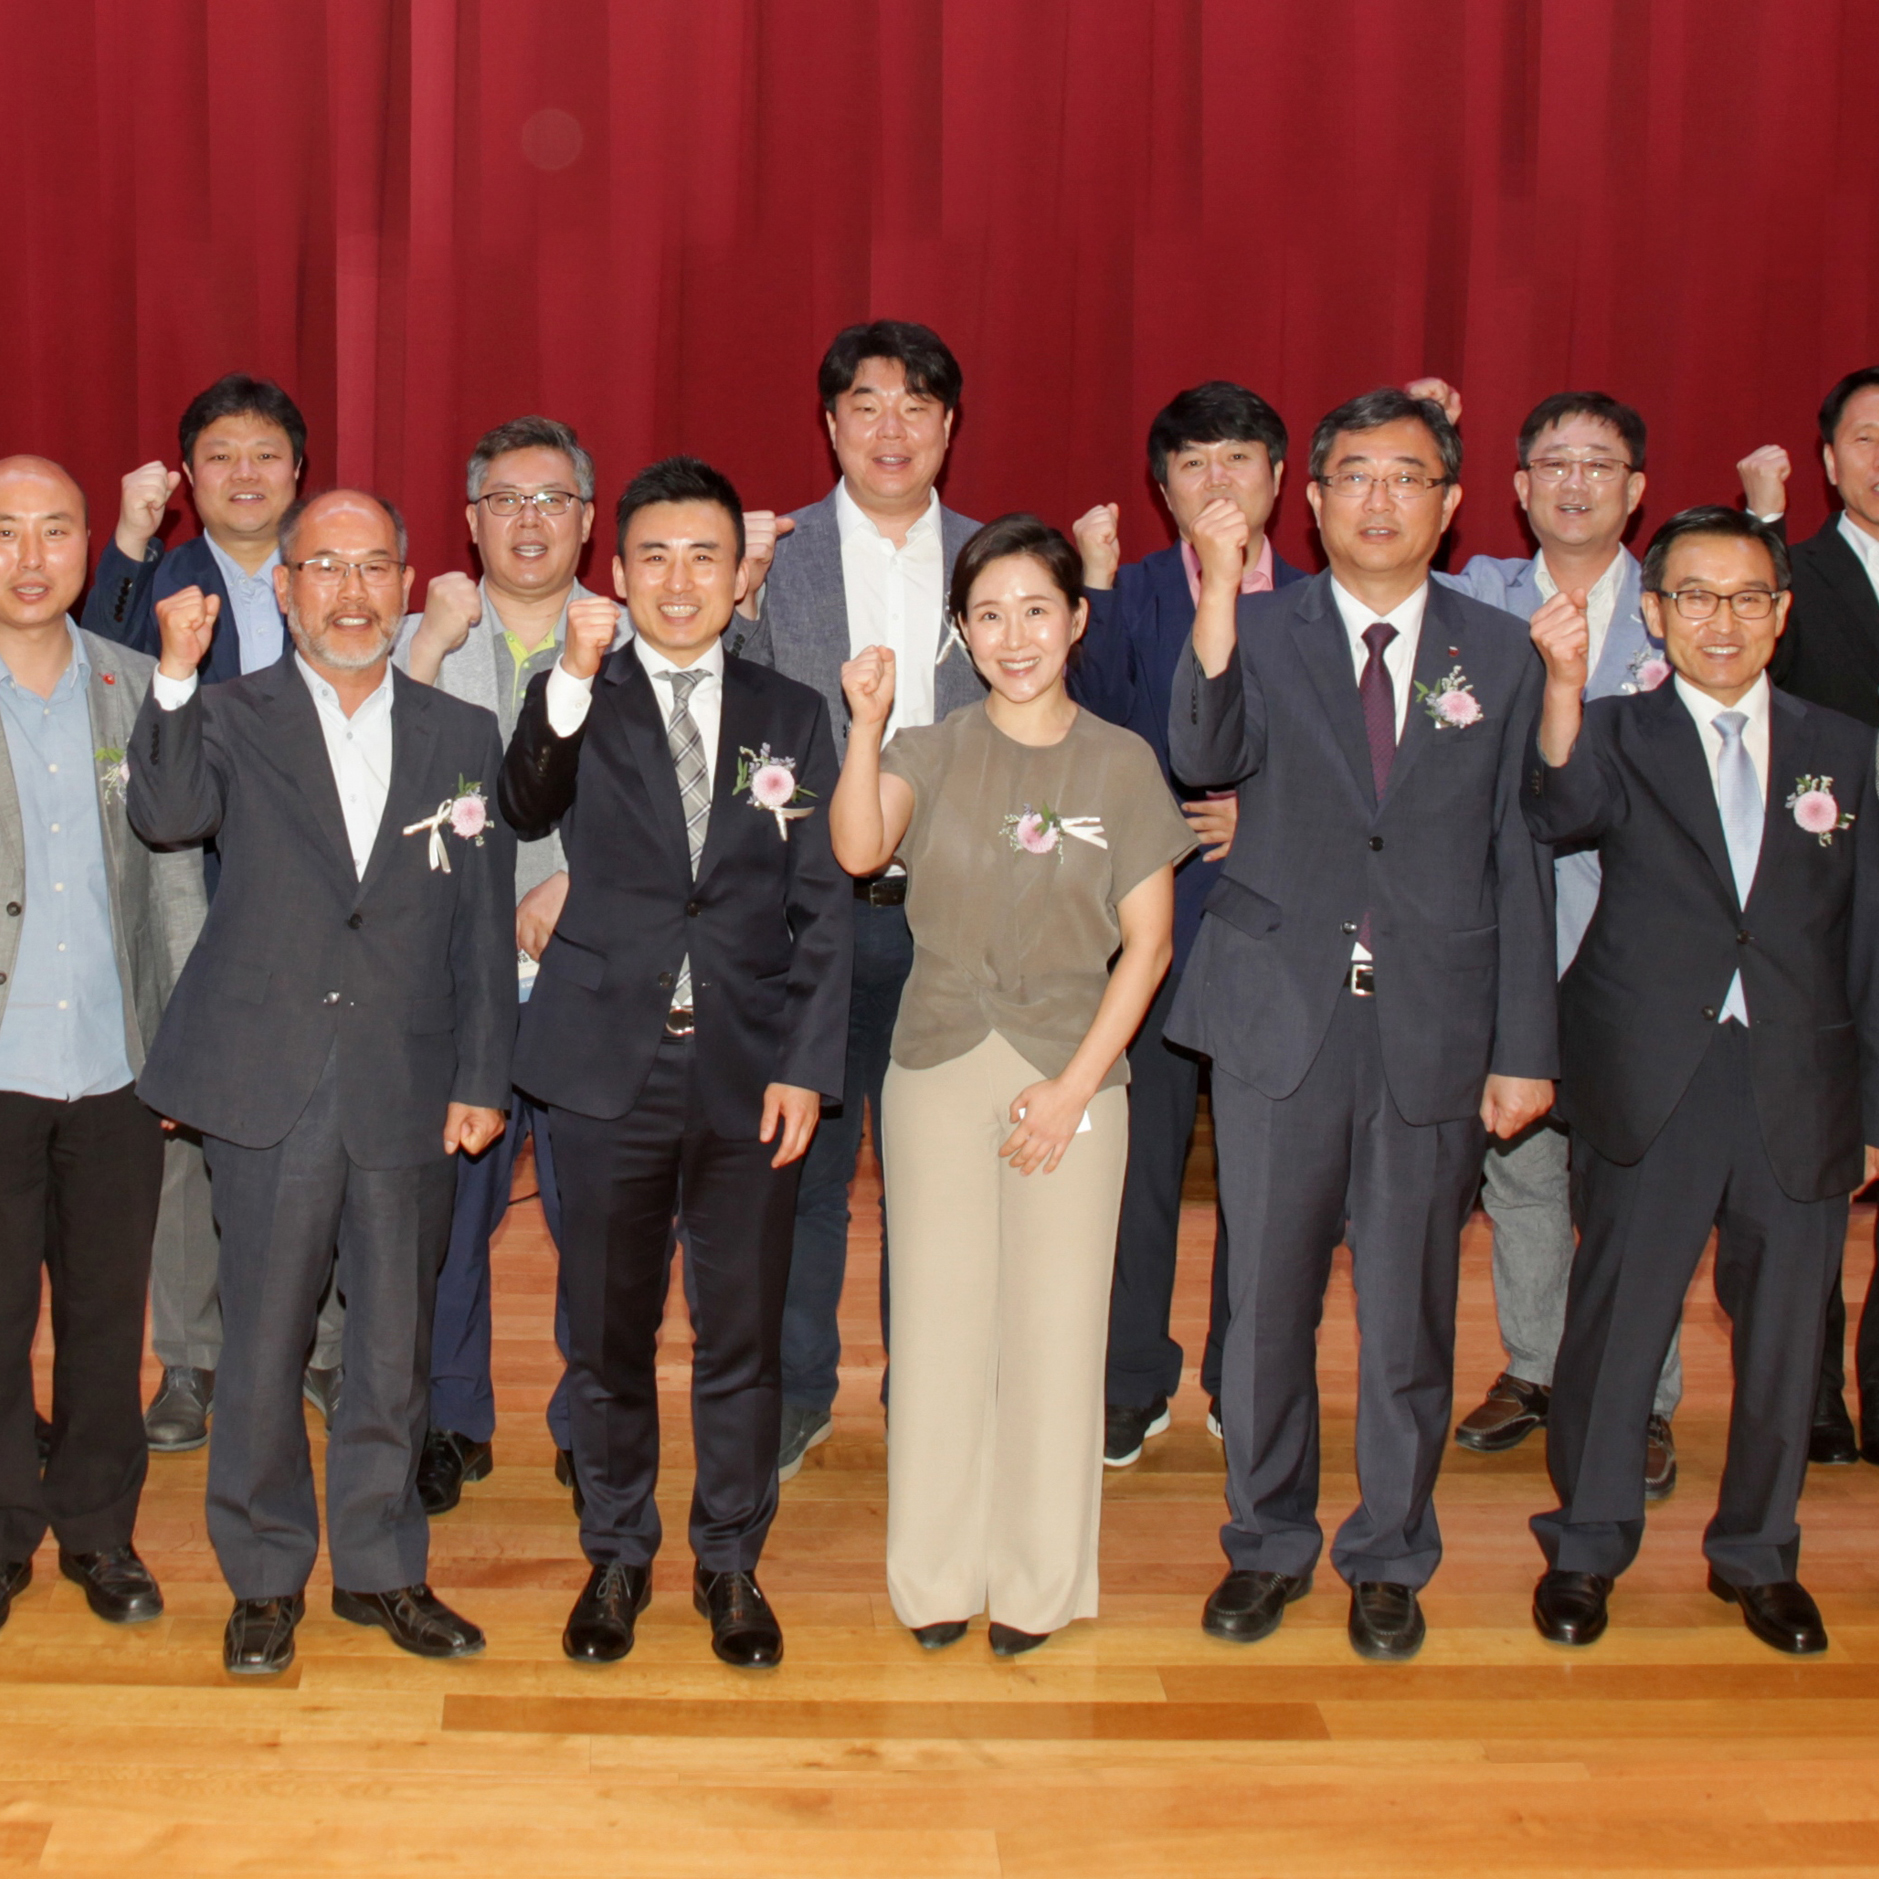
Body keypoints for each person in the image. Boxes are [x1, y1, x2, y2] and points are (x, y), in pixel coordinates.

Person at [1169, 388, 1556, 1661]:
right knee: (1265, 1310)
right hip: (1282, 1015)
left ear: (1451, 506)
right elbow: (1197, 747)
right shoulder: (1260, 631)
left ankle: (1390, 1554)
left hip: (1433, 1025)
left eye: (1408, 477)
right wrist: (1218, 593)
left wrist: (1521, 1046)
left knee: (1407, 1316)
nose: (1379, 499)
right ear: (1312, 499)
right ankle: (1268, 1543)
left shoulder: (1496, 656)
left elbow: (1517, 859)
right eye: (1354, 477)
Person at [128, 488, 515, 1676]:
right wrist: (177, 676)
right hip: (270, 1082)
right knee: (262, 1342)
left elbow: (482, 924)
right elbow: (167, 812)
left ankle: (384, 1568)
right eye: (324, 569)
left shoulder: (459, 735)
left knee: (391, 1343)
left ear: (408, 584)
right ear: (285, 589)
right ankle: (262, 1577)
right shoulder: (230, 717)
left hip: (407, 1079)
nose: (352, 593)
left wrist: (483, 1073)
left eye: (374, 568)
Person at [499, 455, 851, 1669]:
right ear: (618, 568)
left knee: (742, 1333)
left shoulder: (793, 712)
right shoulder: (579, 689)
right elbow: (523, 801)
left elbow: (821, 905)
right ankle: (616, 1553)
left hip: (749, 1073)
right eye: (653, 555)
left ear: (736, 568)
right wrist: (567, 681)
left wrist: (807, 1064)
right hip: (605, 1067)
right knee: (606, 1331)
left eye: (705, 553)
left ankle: (730, 1560)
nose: (679, 579)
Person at [832, 514, 1190, 1655]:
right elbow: (853, 849)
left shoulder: (1121, 761)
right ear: (962, 635)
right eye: (986, 615)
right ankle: (934, 1577)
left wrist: (1076, 1086)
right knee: (937, 1332)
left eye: (1036, 609)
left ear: (1076, 620)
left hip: (1072, 1070)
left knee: (1053, 1334)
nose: (1013, 635)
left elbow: (1149, 945)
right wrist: (865, 727)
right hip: (937, 1062)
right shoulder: (929, 752)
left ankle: (1036, 1585)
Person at [1523, 507, 1879, 1656]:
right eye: (1692, 596)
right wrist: (1566, 685)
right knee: (1618, 1322)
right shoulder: (1616, 731)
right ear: (1659, 611)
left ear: (1781, 614)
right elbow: (1558, 813)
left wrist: (1871, 1109)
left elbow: (1868, 942)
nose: (1717, 621)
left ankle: (1757, 1554)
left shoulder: (1846, 747)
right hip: (1651, 1073)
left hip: (1796, 1075)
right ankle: (1584, 1544)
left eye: (1743, 598)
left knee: (1783, 1334)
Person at [733, 320, 982, 1479]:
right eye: (867, 404)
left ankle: (932, 1392)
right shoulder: (772, 561)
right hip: (810, 917)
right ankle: (797, 1391)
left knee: (941, 1177)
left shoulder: (997, 563)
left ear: (948, 427)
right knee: (806, 1174)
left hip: (955, 919)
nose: (893, 427)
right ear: (829, 422)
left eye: (918, 405)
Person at [81, 372, 343, 1453]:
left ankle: (321, 1346)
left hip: (318, 894)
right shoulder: (155, 576)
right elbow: (92, 661)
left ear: (298, 472)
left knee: (319, 1130)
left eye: (266, 453)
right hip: (184, 885)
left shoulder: (332, 573)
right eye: (222, 455)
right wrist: (133, 546)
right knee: (185, 1131)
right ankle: (190, 1362)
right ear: (189, 476)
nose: (245, 472)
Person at [1428, 388, 1683, 1497]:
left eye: (1600, 463)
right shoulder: (1472, 599)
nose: (1575, 481)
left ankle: (1640, 1392)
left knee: (1633, 1184)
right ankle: (1537, 1366)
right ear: (1518, 488)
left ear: (1634, 489)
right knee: (1522, 1171)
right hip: (1507, 939)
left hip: (1646, 948)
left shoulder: (1681, 608)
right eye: (1552, 464)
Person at [393, 414, 627, 1516]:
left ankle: (591, 1423)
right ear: (471, 519)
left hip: (595, 978)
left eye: (551, 499)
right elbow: (373, 799)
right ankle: (448, 1418)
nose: (528, 519)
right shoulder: (415, 639)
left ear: (588, 518)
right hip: (455, 984)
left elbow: (685, 805)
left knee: (601, 1219)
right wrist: (428, 649)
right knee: (446, 1219)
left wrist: (588, 878)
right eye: (505, 500)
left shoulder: (644, 639)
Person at [1071, 381, 1307, 1466]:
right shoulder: (1126, 597)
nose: (1219, 481)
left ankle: (1245, 1374)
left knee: (1267, 1176)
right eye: (1195, 464)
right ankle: (1127, 1378)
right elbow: (1093, 737)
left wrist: (1265, 813)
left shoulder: (1322, 599)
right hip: (1149, 924)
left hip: (1279, 930)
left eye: (1240, 460)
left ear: (1277, 479)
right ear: (1162, 490)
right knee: (1138, 1166)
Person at [0, 456, 205, 1632]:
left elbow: (176, 879)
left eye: (55, 531)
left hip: (117, 1065)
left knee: (102, 1313)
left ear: (91, 547)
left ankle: (97, 1529)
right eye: (9, 532)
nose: (32, 557)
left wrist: (181, 1039)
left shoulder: (139, 686)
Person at [1738, 367, 1879, 1465]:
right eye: (1866, 438)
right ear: (1827, 460)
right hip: (1828, 902)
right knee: (1825, 1149)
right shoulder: (1790, 579)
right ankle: (1814, 1391)